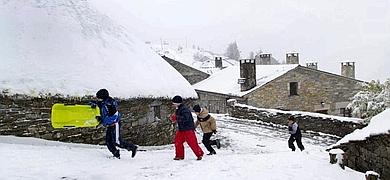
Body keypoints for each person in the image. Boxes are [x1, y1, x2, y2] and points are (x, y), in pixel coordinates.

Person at [92, 89, 137, 159]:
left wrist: (102, 120)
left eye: (99, 97)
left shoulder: (111, 103)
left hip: (115, 124)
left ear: (103, 96)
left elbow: (115, 116)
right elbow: (98, 104)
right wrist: (93, 104)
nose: (98, 99)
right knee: (108, 141)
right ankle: (116, 153)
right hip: (109, 125)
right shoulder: (103, 102)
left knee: (117, 142)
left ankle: (133, 147)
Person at [169, 95, 204, 160]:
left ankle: (199, 154)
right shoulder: (179, 109)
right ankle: (179, 156)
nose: (173, 104)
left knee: (192, 143)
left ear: (177, 103)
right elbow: (180, 118)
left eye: (174, 103)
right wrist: (175, 118)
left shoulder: (184, 109)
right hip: (181, 129)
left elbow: (186, 118)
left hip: (188, 129)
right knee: (178, 142)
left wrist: (176, 118)